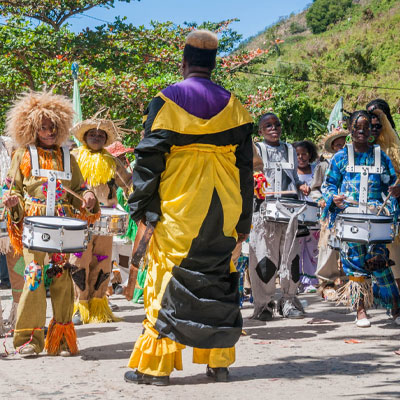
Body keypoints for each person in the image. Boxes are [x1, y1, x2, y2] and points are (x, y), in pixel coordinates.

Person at [124, 29, 253, 385]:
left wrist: (144, 211)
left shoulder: (165, 102)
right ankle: (219, 363)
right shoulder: (235, 107)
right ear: (213, 66)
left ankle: (156, 368)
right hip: (225, 206)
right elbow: (245, 171)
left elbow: (149, 163)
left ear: (184, 64)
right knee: (217, 279)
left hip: (181, 208)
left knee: (168, 279)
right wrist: (244, 221)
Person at [3, 91, 98, 356]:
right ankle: (28, 340)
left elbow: (81, 188)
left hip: (64, 228)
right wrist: (12, 203)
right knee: (33, 276)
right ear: (32, 128)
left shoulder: (69, 156)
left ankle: (62, 338)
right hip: (34, 227)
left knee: (63, 278)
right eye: (43, 126)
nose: (49, 131)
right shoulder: (22, 154)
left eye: (53, 126)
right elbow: (12, 189)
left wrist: (89, 198)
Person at [321, 110, 400, 328]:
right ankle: (360, 310)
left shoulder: (381, 156)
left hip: (376, 217)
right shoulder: (340, 158)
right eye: (357, 128)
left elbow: (390, 183)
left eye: (366, 128)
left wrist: (395, 192)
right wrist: (332, 199)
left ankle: (394, 307)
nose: (362, 132)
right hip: (350, 217)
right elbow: (328, 186)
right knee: (354, 264)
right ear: (350, 130)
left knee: (380, 261)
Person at [69, 118, 132, 324]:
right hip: (80, 218)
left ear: (106, 140)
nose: (96, 138)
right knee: (79, 261)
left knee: (103, 261)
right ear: (85, 137)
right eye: (92, 135)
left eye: (101, 135)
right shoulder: (74, 157)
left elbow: (128, 183)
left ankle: (98, 306)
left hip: (106, 219)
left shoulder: (113, 161)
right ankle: (80, 307)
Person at [249, 113, 310, 321]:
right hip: (263, 215)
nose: (273, 128)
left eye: (276, 125)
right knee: (264, 262)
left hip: (289, 213)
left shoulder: (291, 150)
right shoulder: (255, 149)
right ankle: (263, 305)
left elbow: (293, 178)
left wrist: (301, 186)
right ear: (260, 131)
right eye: (268, 125)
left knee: (291, 260)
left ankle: (288, 301)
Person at [366, 99, 400, 289]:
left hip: (392, 209)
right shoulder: (358, 149)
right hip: (365, 209)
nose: (374, 129)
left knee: (394, 254)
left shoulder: (394, 148)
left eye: (379, 124)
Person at [311, 127, 347, 298]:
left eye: (344, 143)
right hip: (331, 212)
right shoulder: (324, 164)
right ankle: (327, 282)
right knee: (329, 247)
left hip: (351, 210)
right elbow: (315, 188)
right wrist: (321, 199)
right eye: (337, 145)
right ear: (332, 147)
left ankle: (350, 281)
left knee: (350, 246)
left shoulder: (355, 162)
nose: (341, 147)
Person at [293, 140, 319, 293]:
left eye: (304, 154)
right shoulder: (290, 172)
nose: (301, 157)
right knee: (295, 248)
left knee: (312, 249)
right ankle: (294, 281)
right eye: (297, 155)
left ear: (310, 155)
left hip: (314, 216)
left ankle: (310, 280)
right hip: (295, 216)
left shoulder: (317, 170)